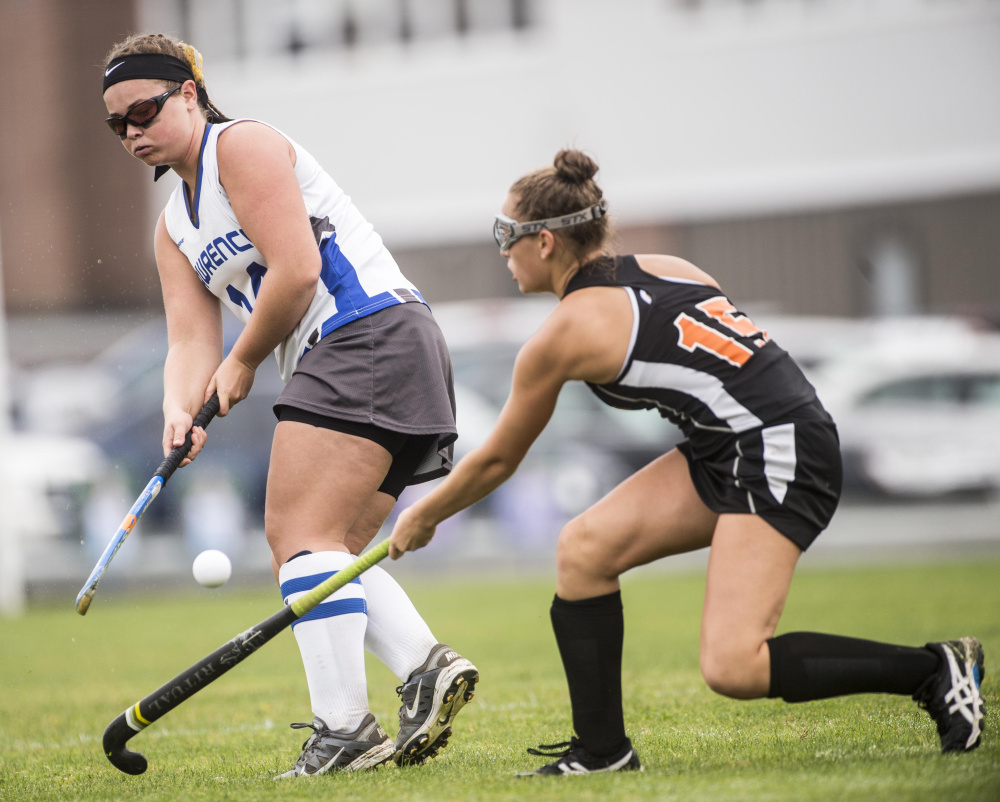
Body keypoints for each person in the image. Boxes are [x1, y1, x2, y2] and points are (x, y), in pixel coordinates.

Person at [388, 149, 986, 775]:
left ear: (543, 243)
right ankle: (602, 753)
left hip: (777, 448)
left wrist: (424, 514)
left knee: (734, 664)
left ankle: (934, 670)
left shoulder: (562, 335)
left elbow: (499, 459)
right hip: (732, 445)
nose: (501, 252)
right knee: (585, 549)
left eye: (504, 236)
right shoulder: (664, 265)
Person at [101, 34, 478, 777]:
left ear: (187, 94)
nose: (132, 132)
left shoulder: (241, 146)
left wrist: (243, 364)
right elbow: (187, 341)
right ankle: (424, 667)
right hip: (370, 350)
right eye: (116, 124)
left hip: (365, 333)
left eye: (142, 110)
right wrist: (183, 408)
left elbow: (299, 271)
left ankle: (345, 731)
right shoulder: (172, 228)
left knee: (296, 535)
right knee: (324, 550)